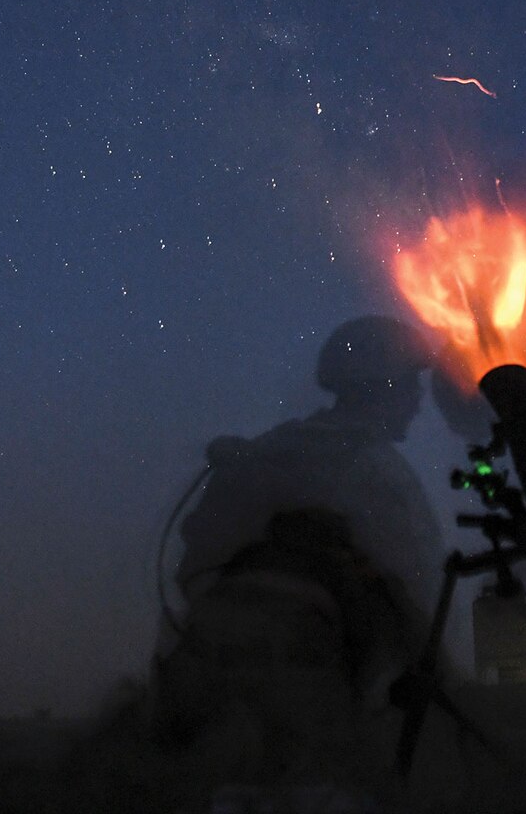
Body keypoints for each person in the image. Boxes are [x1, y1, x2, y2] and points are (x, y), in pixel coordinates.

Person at [150, 315, 449, 775]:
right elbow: (415, 588)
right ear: (383, 387)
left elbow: (196, 566)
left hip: (210, 684)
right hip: (317, 699)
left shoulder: (261, 452)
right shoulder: (378, 472)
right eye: (411, 384)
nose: (417, 401)